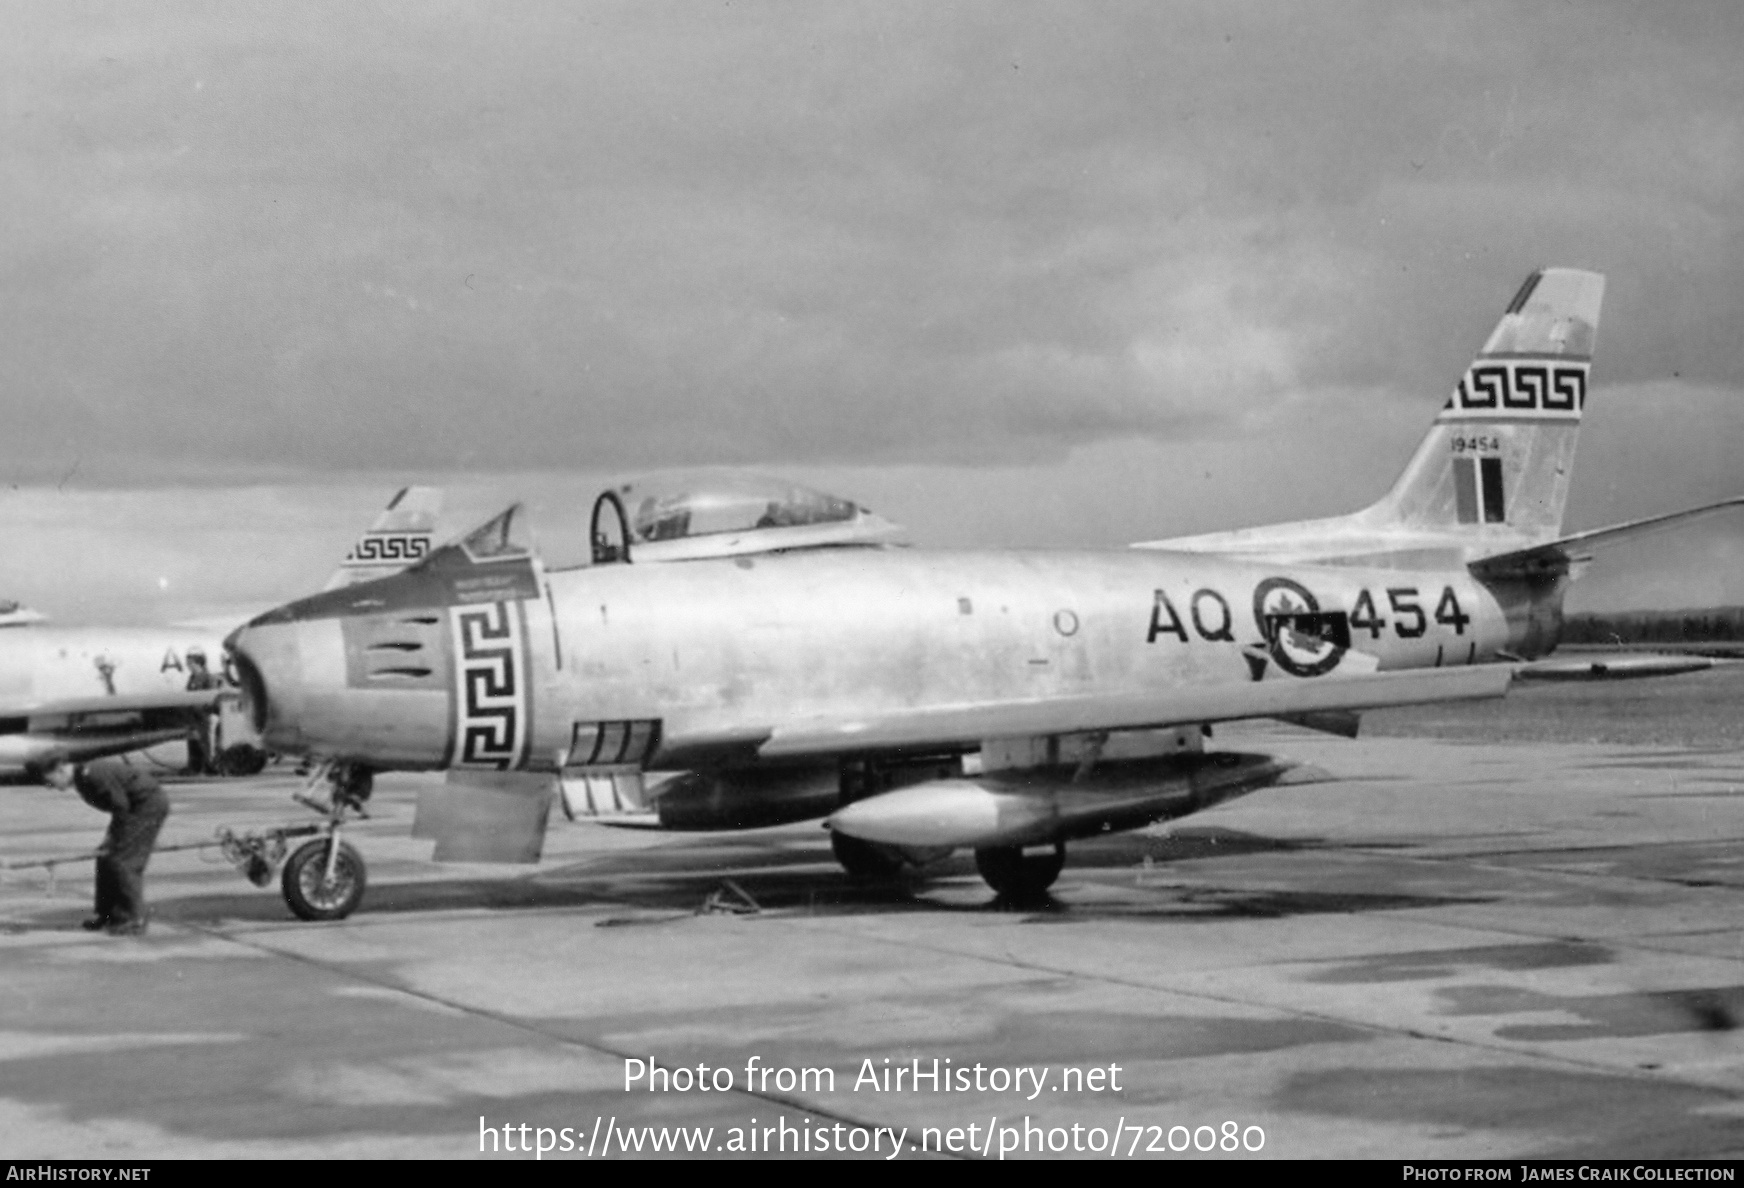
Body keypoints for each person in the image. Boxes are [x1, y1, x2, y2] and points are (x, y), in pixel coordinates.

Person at [36, 752, 170, 936]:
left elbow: (121, 806)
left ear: (60, 770)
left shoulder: (92, 776)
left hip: (147, 806)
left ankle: (133, 918)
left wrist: (115, 837)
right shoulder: (83, 778)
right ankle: (107, 915)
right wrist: (111, 838)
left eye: (50, 782)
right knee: (104, 857)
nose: (51, 787)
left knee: (123, 861)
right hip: (133, 809)